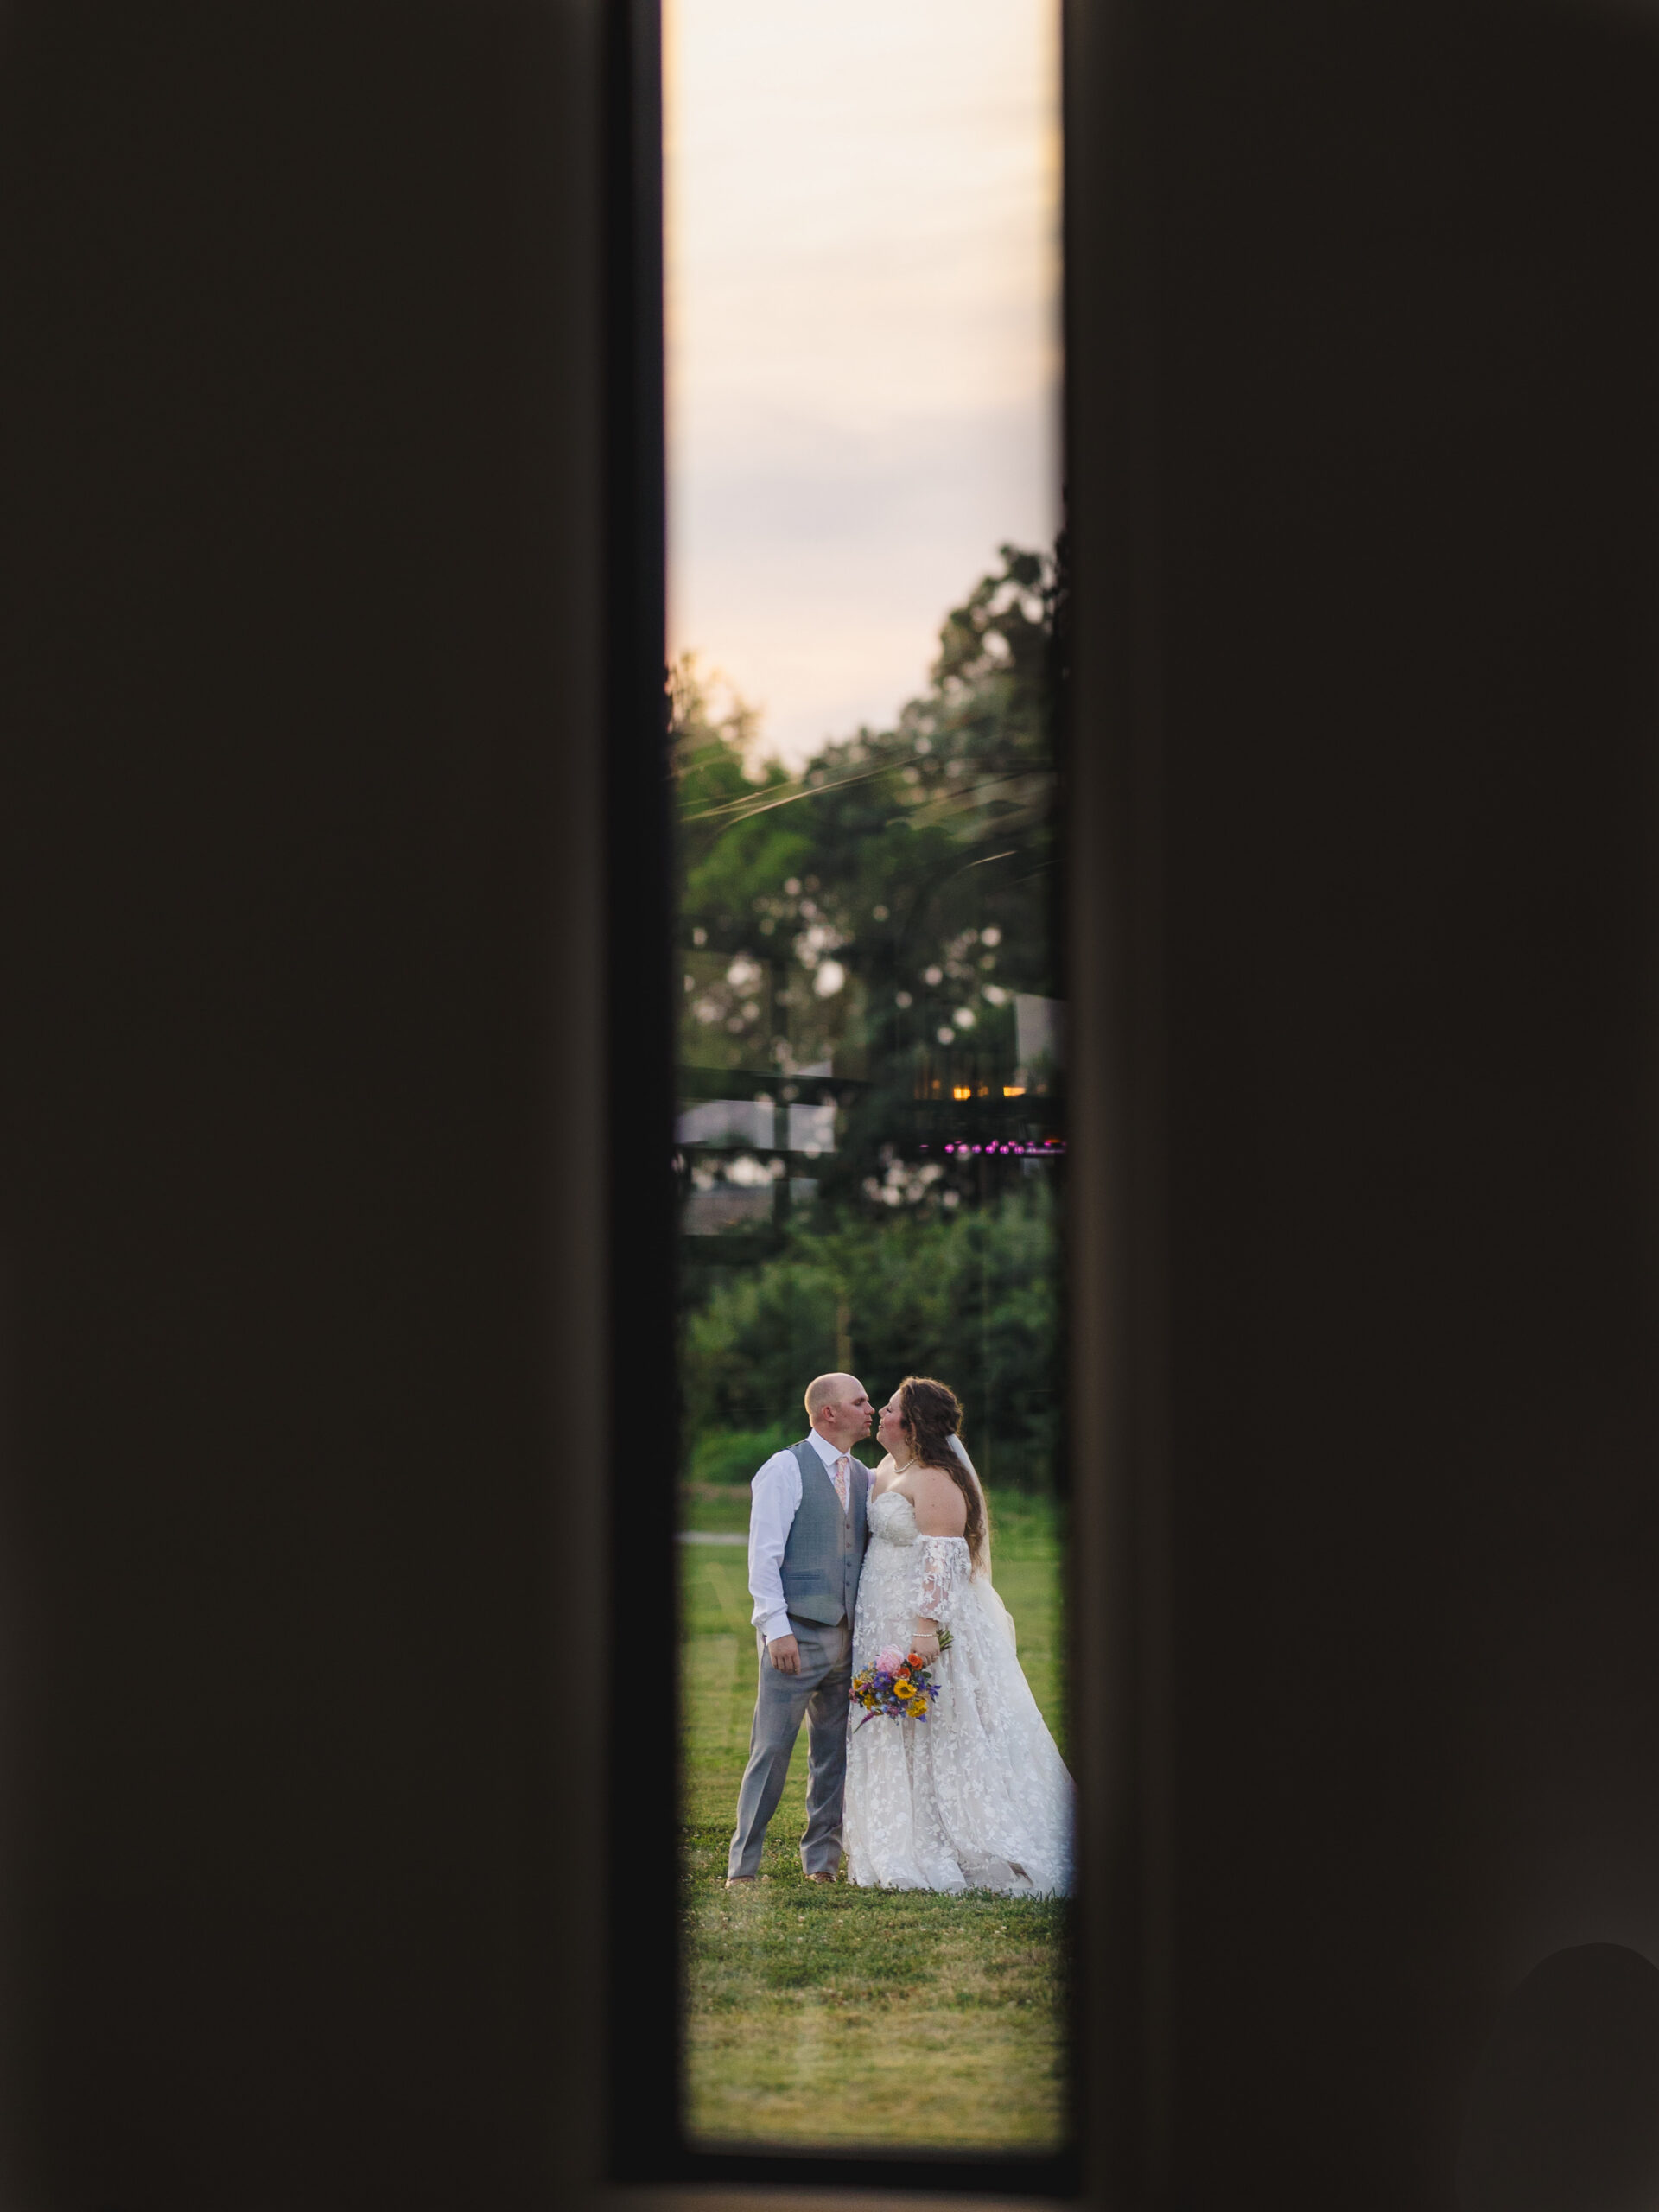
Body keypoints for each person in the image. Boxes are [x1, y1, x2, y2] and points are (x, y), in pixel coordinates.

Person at [844, 1375, 1073, 1894]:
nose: (882, 1413)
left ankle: (958, 1835)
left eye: (892, 1408)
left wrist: (925, 1630)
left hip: (923, 1625)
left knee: (941, 1725)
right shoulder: (887, 1469)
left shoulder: (936, 1479)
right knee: (897, 1728)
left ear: (913, 1424)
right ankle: (901, 1831)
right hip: (881, 1619)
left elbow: (942, 1558)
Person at [726, 1372, 874, 1888]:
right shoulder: (784, 1468)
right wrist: (776, 1628)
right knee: (770, 1751)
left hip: (848, 1638)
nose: (870, 1409)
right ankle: (743, 1867)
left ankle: (822, 1863)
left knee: (834, 1754)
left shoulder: (865, 1476)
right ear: (829, 1412)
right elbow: (763, 1557)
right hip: (795, 1637)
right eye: (860, 1401)